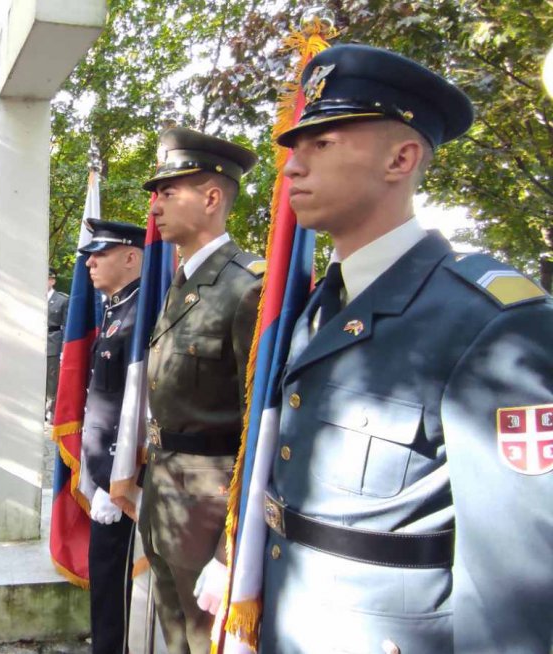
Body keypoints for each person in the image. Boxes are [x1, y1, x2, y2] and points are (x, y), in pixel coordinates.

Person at [258, 45, 553, 653]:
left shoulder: (489, 322)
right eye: (295, 147)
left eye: (324, 142)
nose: (292, 168)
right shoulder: (323, 304)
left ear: (402, 157)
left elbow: (515, 592)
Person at [137, 128, 262, 654]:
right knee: (175, 635)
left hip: (210, 504)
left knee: (202, 638)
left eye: (169, 192)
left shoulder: (247, 285)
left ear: (212, 198)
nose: (155, 206)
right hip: (165, 487)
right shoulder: (181, 281)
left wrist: (233, 550)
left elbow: (260, 425)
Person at [75, 220, 144, 654]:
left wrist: (117, 480)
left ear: (132, 257)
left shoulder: (140, 313)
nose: (90, 262)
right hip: (104, 469)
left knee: (113, 578)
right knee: (102, 577)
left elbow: (138, 405)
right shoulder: (116, 307)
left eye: (101, 254)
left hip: (121, 478)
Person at [46, 268, 69, 420]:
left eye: (47, 278)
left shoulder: (62, 300)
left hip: (53, 341)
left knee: (52, 378)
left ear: (52, 281)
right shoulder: (33, 297)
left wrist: (63, 348)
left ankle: (50, 409)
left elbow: (67, 325)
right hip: (35, 341)